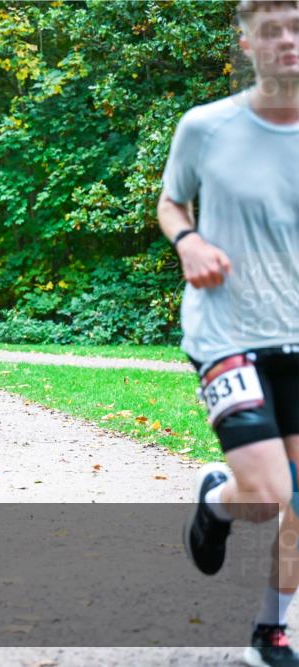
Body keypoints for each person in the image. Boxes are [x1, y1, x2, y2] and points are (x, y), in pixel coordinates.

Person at [161, 2, 299, 663]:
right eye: (271, 30)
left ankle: (270, 627)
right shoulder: (206, 127)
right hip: (227, 333)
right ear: (246, 41)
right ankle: (219, 500)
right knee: (269, 492)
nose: (287, 41)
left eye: (298, 27)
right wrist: (187, 240)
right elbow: (170, 200)